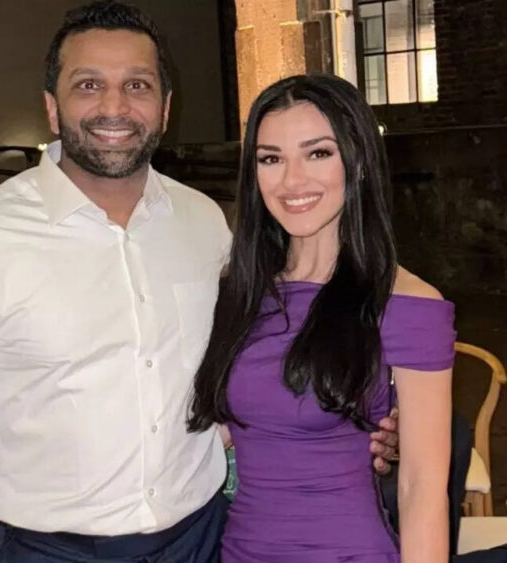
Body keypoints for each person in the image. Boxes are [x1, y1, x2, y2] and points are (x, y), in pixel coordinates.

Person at [0, 3, 397, 562]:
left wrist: (369, 421)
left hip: (202, 539)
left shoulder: (205, 223)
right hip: (50, 551)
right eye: (88, 84)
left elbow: (263, 357)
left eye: (136, 85)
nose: (114, 106)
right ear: (51, 107)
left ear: (164, 107)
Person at [188, 73, 455, 562]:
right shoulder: (240, 289)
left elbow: (422, 488)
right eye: (271, 158)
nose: (292, 181)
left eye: (318, 153)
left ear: (356, 162)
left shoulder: (407, 304)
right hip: (242, 551)